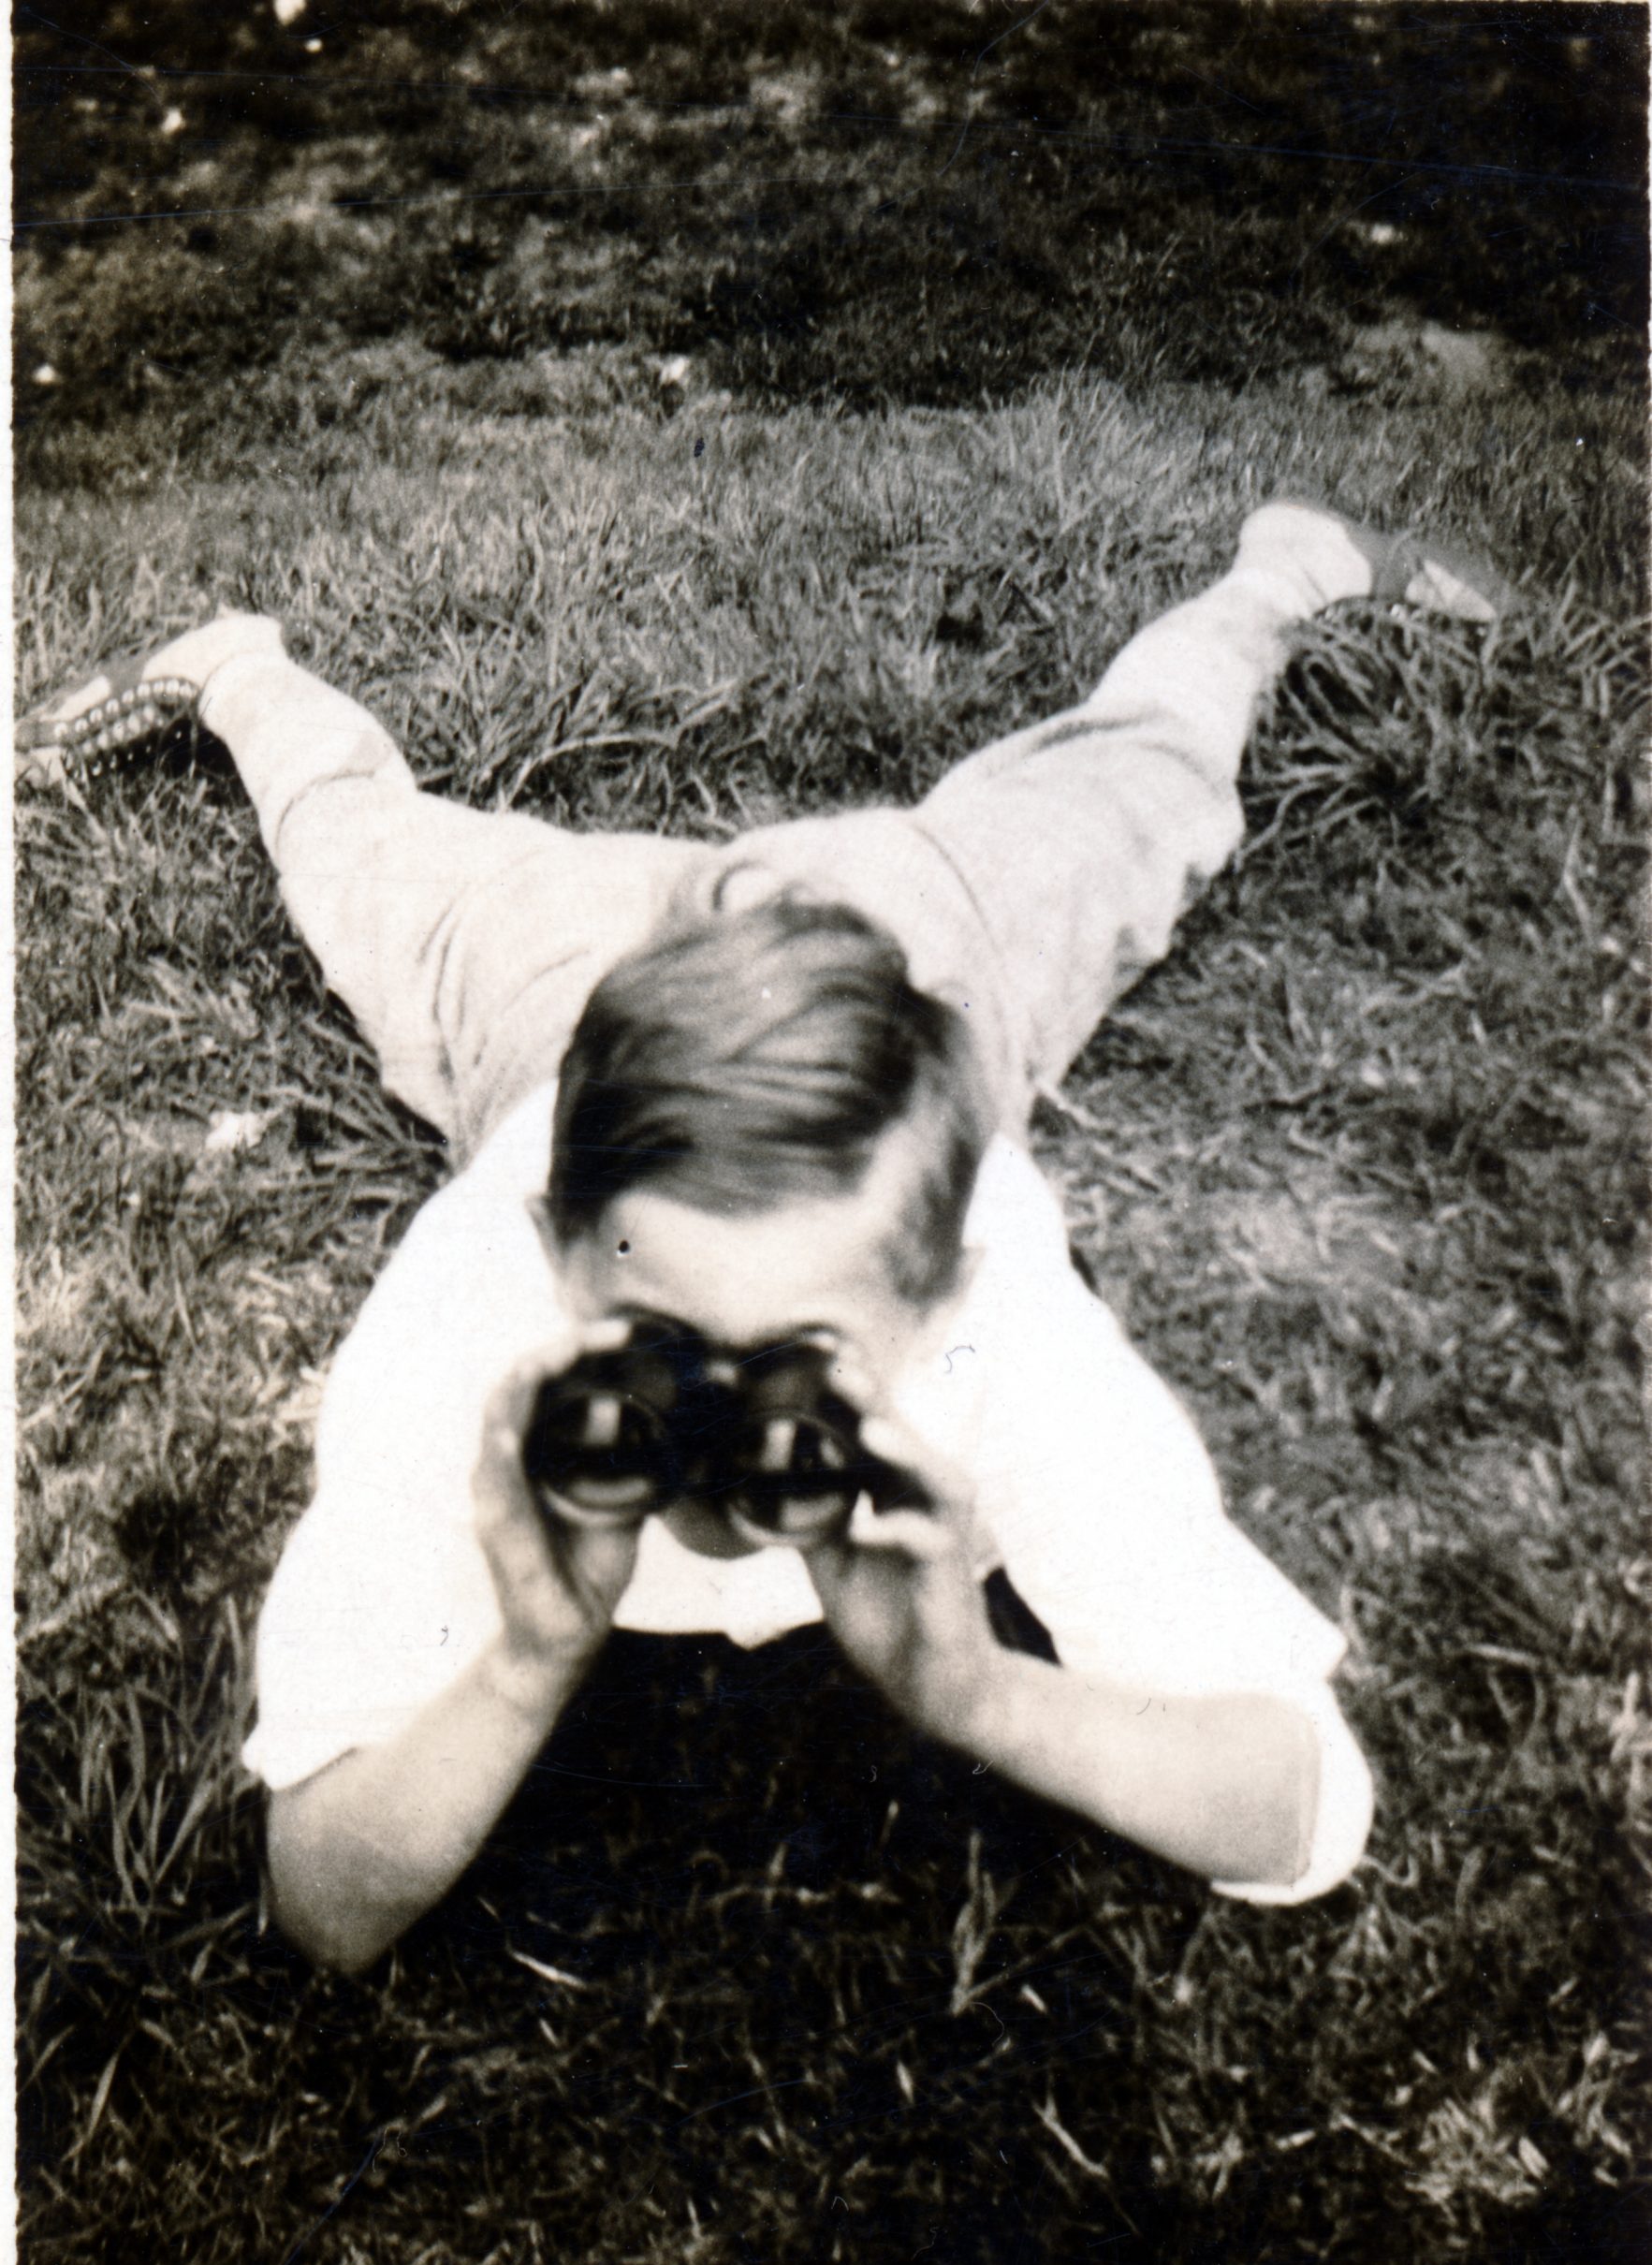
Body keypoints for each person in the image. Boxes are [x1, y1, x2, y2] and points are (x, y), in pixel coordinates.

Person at [22, 499, 1510, 1976]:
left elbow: (1306, 1810)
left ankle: (1288, 564)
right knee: (359, 851)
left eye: (799, 1355)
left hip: (901, 938)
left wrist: (977, 1687)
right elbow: (322, 1905)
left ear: (942, 1298)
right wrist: (528, 1657)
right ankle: (232, 665)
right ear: (552, 1241)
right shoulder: (471, 1310)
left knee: (1139, 788)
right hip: (553, 982)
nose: (718, 1423)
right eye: (656, 1341)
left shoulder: (1002, 1319)